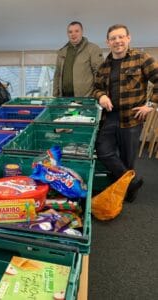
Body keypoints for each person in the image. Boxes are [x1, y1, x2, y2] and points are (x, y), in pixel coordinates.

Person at [93, 24, 158, 202]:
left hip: (132, 118)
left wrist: (151, 105)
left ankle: (127, 192)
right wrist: (102, 96)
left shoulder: (142, 58)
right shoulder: (104, 65)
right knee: (103, 150)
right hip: (110, 117)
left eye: (121, 37)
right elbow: (96, 88)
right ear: (108, 42)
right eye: (113, 38)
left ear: (128, 38)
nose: (117, 41)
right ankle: (132, 181)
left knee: (127, 158)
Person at [53, 21, 103, 97]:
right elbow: (57, 74)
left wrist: (99, 95)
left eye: (77, 31)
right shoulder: (62, 52)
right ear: (67, 34)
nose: (73, 34)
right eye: (70, 32)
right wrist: (55, 96)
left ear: (82, 32)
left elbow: (99, 73)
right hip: (64, 99)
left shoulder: (93, 49)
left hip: (86, 99)